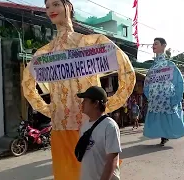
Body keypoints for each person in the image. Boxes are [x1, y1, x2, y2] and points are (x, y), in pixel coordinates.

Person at [21, 0, 135, 179]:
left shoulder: (91, 43)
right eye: (48, 6)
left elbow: (127, 71)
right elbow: (28, 87)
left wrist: (108, 104)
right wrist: (51, 110)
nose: (51, 10)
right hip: (60, 130)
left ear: (69, 7)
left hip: (90, 125)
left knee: (96, 173)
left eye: (56, 4)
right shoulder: (43, 55)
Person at [143, 37, 184, 146]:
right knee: (159, 116)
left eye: (156, 43)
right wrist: (149, 93)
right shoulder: (152, 67)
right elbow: (147, 82)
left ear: (164, 46)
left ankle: (165, 136)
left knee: (167, 115)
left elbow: (178, 81)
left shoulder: (170, 65)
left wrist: (177, 96)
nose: (153, 45)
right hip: (155, 97)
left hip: (167, 96)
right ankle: (163, 136)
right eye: (153, 44)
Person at [77, 86, 121, 180]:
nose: (82, 103)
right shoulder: (84, 127)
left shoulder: (109, 126)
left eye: (85, 100)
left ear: (96, 103)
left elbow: (112, 160)